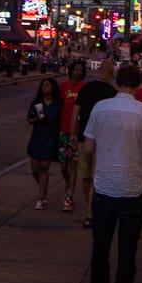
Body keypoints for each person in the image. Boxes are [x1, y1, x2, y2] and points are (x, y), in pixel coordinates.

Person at [83, 62, 142, 283]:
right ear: (139, 85)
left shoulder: (100, 108)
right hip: (131, 188)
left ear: (116, 83)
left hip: (104, 186)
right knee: (127, 253)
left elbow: (88, 148)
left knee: (100, 251)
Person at [71, 59, 117, 228]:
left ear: (99, 72)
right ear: (111, 75)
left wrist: (73, 133)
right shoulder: (112, 92)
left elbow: (76, 112)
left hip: (84, 138)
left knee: (86, 175)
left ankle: (88, 210)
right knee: (97, 176)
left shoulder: (85, 88)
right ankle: (92, 210)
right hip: (103, 141)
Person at [27, 77, 62, 210]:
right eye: (43, 85)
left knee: (44, 166)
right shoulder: (36, 102)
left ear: (53, 87)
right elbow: (29, 120)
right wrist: (37, 118)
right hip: (37, 136)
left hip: (51, 137)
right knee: (35, 168)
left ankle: (41, 198)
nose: (44, 88)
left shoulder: (58, 103)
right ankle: (43, 189)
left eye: (47, 85)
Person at [58, 59, 86, 212]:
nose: (77, 72)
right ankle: (69, 186)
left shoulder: (84, 88)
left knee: (74, 165)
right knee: (63, 165)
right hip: (63, 131)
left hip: (76, 133)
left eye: (80, 70)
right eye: (75, 69)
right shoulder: (63, 87)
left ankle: (69, 196)